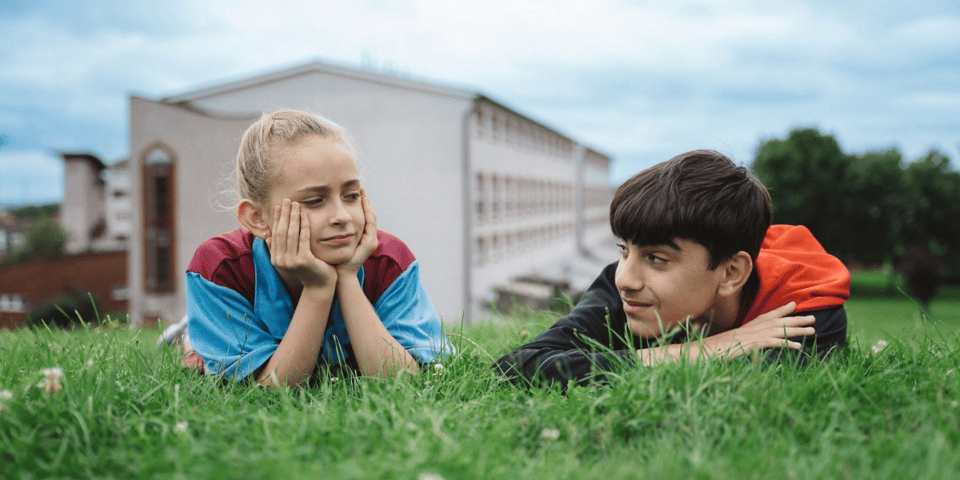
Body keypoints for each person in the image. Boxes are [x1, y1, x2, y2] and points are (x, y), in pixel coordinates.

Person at [494, 150, 849, 387]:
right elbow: (517, 366)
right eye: (624, 249)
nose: (626, 279)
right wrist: (710, 348)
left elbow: (739, 395)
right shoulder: (625, 287)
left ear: (731, 274)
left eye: (657, 259)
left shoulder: (802, 308)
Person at [183, 110, 453, 387]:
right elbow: (266, 391)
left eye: (350, 196)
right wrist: (318, 288)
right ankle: (189, 337)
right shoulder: (220, 266)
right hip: (230, 323)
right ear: (257, 218)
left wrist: (348, 279)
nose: (343, 216)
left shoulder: (390, 261)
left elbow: (406, 382)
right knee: (199, 356)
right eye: (314, 201)